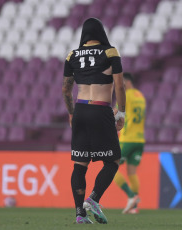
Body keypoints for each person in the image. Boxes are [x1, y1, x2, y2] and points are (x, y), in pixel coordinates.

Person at [62, 18, 126, 224]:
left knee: (80, 164)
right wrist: (121, 113)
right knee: (113, 160)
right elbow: (120, 85)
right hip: (100, 109)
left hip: (80, 109)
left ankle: (80, 213)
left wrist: (72, 113)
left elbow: (65, 90)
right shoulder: (110, 52)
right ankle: (94, 198)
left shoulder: (72, 54)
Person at [113, 72, 146, 214]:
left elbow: (115, 113)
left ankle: (131, 196)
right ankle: (134, 207)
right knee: (132, 172)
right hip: (140, 140)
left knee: (111, 166)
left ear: (126, 82)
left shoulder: (125, 95)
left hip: (127, 139)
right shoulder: (140, 96)